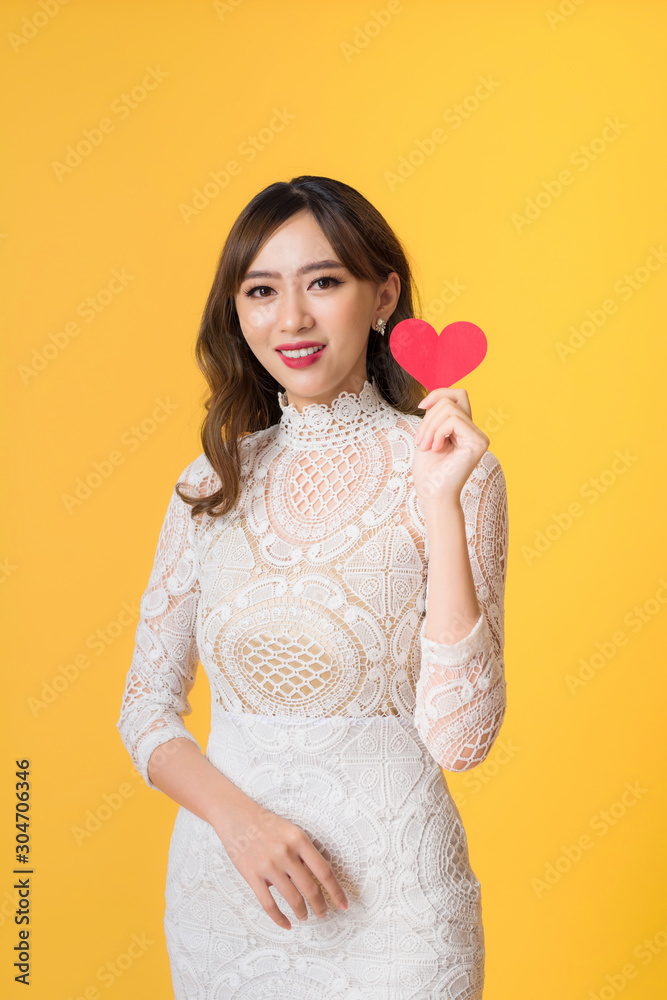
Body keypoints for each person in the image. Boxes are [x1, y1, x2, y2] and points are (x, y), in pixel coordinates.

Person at [116, 174, 509, 999]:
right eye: (260, 291)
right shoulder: (210, 482)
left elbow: (462, 741)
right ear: (238, 312)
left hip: (399, 910)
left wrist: (438, 503)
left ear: (382, 297)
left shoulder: (453, 469)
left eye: (322, 282)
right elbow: (144, 708)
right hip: (226, 901)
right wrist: (238, 822)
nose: (289, 320)